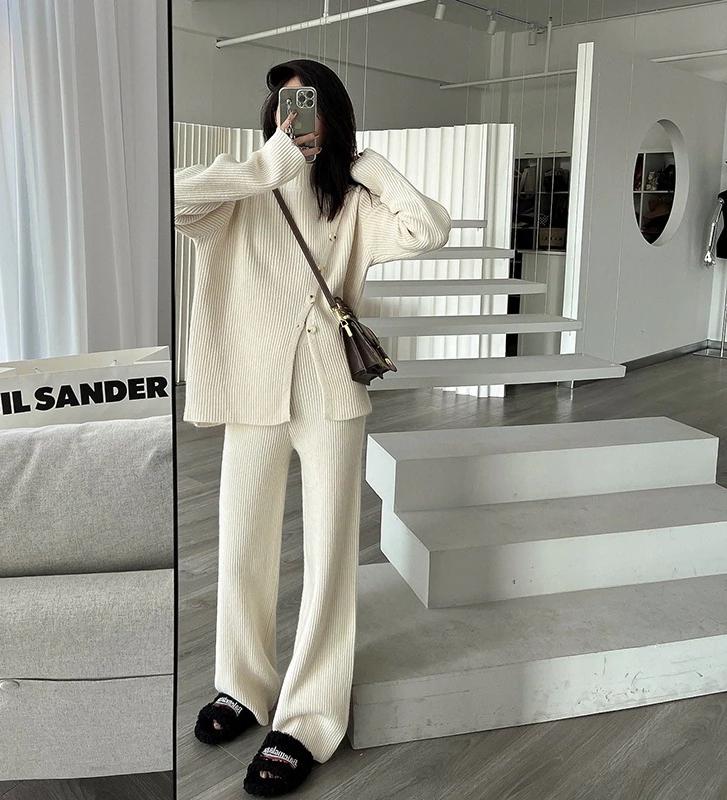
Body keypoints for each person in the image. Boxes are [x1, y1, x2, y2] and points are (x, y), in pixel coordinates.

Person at [174, 58, 451, 796]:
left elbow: (429, 230)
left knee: (329, 555)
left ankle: (308, 716)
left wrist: (370, 165)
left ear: (333, 112)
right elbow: (169, 200)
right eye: (282, 101)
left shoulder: (352, 201)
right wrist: (266, 164)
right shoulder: (239, 191)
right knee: (242, 545)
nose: (292, 113)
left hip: (329, 393)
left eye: (307, 101)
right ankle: (242, 686)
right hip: (252, 394)